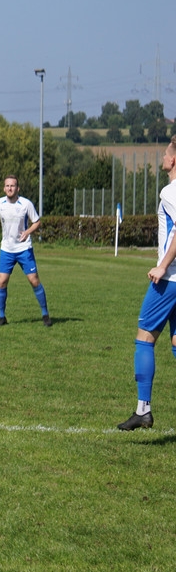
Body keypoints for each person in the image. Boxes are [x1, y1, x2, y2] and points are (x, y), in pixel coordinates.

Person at [118, 136, 176, 430]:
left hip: (170, 280)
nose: (162, 157)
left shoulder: (170, 191)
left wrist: (162, 266)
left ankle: (143, 410)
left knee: (144, 339)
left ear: (174, 159)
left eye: (165, 153)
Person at [0, 175, 51, 326]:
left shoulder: (26, 204)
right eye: (7, 186)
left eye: (12, 186)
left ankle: (45, 314)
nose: (10, 188)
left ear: (17, 188)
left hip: (24, 249)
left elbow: (37, 222)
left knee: (34, 280)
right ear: (4, 188)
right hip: (7, 249)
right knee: (2, 281)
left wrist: (27, 232)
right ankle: (2, 317)